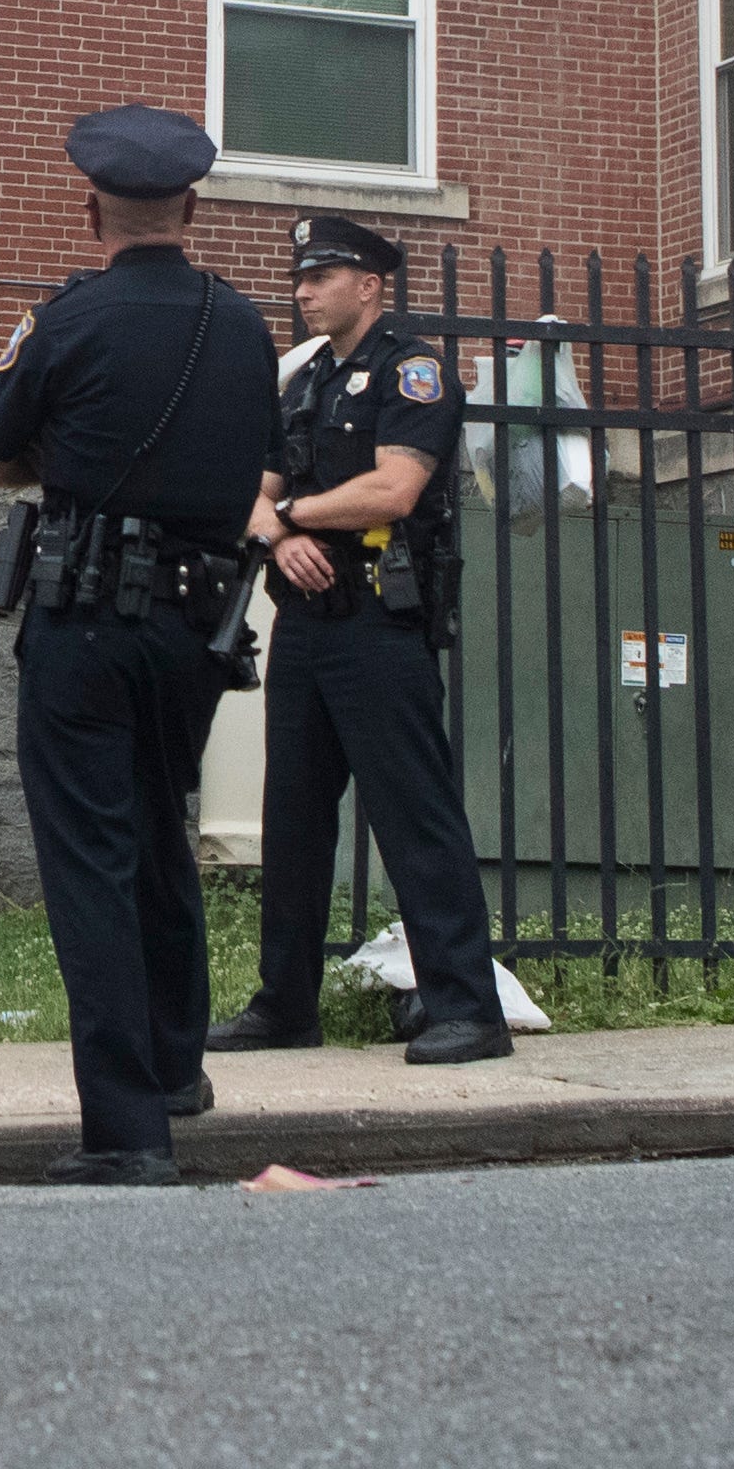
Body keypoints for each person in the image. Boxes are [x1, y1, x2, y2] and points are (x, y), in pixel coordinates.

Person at [0, 106, 281, 1183]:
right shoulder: (245, 328)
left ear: (89, 207)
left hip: (87, 625)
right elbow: (254, 470)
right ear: (191, 208)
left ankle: (126, 1129)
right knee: (162, 832)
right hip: (195, 627)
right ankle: (176, 1065)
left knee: (93, 860)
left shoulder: (68, 321)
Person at [211, 213, 512, 1065]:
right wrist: (277, 536)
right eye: (300, 278)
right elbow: (249, 489)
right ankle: (285, 1005)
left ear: (370, 285)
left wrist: (294, 515)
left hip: (381, 623)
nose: (303, 291)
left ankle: (467, 1007)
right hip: (305, 625)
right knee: (294, 821)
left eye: (322, 277)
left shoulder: (409, 371)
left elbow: (394, 489)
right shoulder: (304, 383)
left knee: (416, 816)